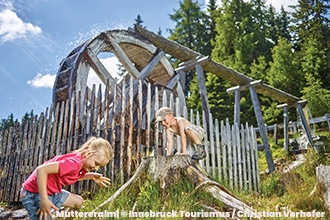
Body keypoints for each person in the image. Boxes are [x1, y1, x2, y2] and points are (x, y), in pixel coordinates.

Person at [21, 136, 114, 220]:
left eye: (100, 166)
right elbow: (41, 170)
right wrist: (44, 200)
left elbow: (71, 176)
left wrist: (91, 176)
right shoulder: (73, 163)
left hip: (52, 192)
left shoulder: (81, 164)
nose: (97, 168)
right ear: (88, 153)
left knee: (78, 202)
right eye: (96, 163)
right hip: (34, 193)